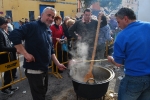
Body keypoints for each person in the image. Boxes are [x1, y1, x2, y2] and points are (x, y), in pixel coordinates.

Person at [9, 7, 66, 100]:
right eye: (49, 15)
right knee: (38, 96)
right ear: (42, 15)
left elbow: (50, 49)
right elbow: (14, 35)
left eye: (53, 17)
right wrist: (25, 54)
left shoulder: (48, 30)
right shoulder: (32, 26)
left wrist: (57, 63)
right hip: (34, 70)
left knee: (43, 91)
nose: (51, 18)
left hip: (44, 68)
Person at [107, 7, 150, 100]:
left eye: (118, 22)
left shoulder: (122, 36)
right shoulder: (148, 26)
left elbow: (119, 63)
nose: (118, 25)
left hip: (134, 78)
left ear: (126, 19)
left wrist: (111, 59)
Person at [0, 17, 19, 95]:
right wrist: (14, 49)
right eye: (5, 24)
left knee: (12, 71)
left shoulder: (3, 31)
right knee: (8, 73)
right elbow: (1, 47)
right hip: (5, 57)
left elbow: (8, 40)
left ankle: (9, 86)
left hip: (9, 55)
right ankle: (4, 88)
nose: (6, 25)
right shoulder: (0, 32)